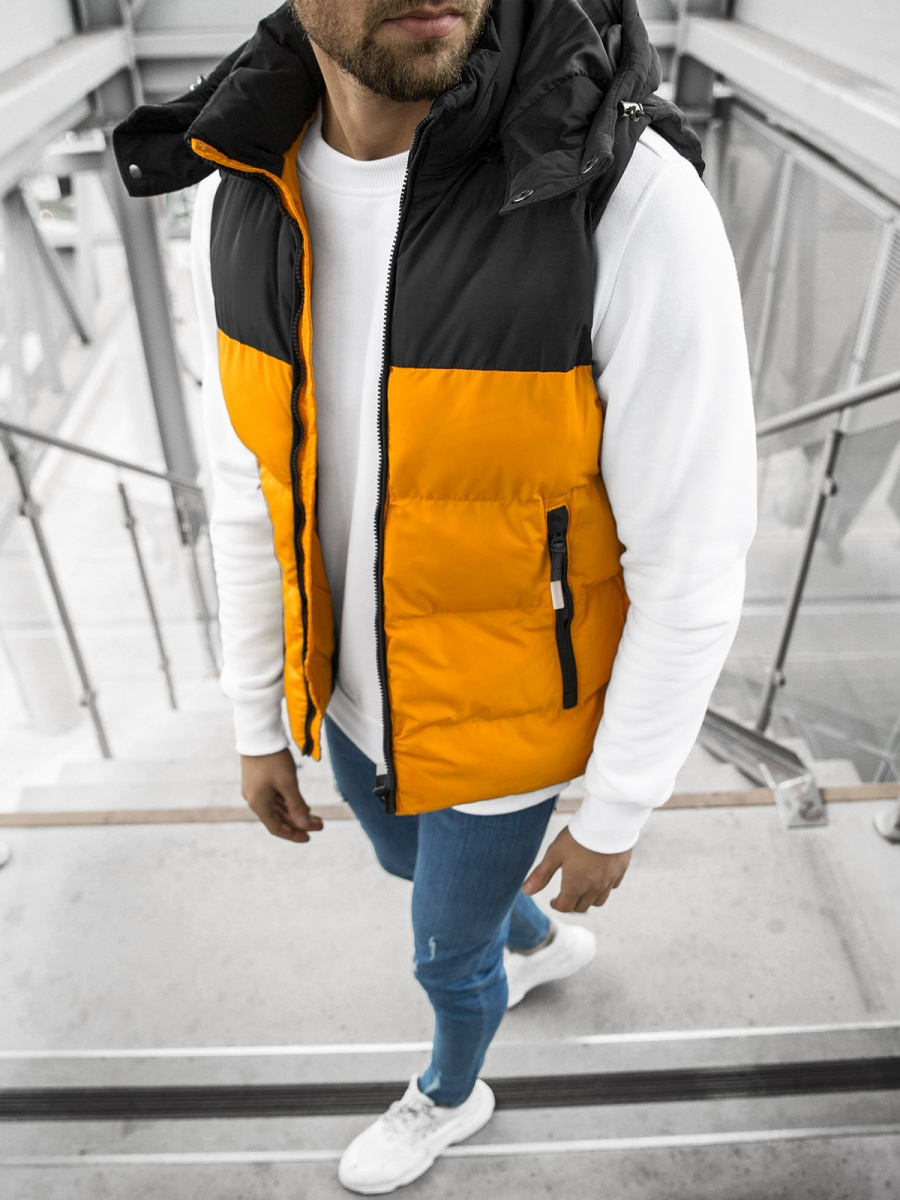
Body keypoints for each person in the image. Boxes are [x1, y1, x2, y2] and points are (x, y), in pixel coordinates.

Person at [114, 0, 756, 1191]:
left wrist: (616, 808)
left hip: (506, 732)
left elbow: (694, 558)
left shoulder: (627, 202)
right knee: (407, 863)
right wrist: (259, 717)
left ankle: (452, 1093)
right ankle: (538, 941)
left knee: (444, 956)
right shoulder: (241, 188)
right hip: (352, 700)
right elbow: (250, 486)